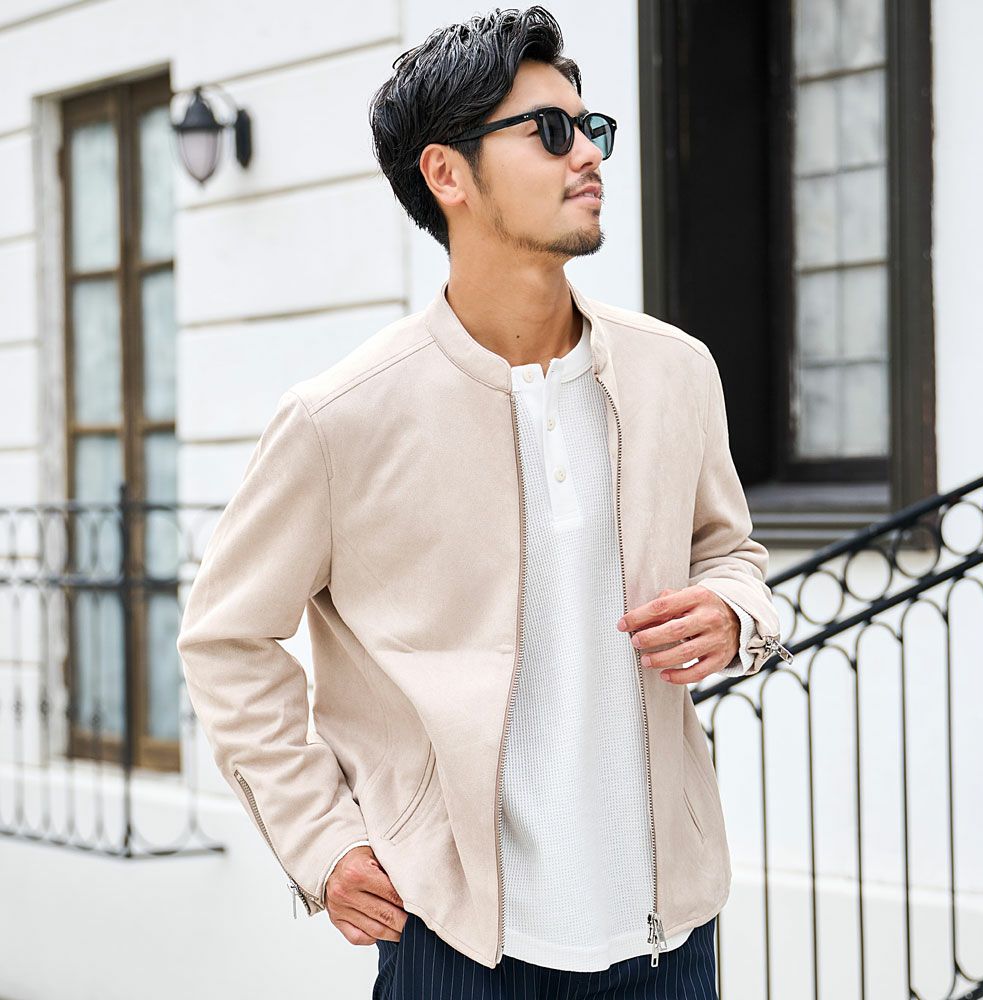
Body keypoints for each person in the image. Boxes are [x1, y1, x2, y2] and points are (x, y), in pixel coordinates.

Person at [176, 6, 793, 998]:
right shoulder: (341, 418)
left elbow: (730, 552)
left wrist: (732, 611)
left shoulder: (675, 371)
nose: (586, 153)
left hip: (666, 938)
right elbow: (225, 637)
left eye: (591, 127)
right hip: (455, 941)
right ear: (447, 174)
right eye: (549, 131)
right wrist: (322, 840)